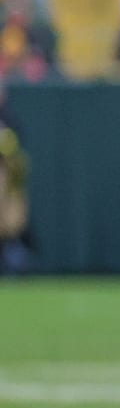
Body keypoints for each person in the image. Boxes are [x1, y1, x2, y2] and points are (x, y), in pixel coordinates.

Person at [0, 76, 27, 275]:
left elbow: (17, 151)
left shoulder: (8, 118)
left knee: (12, 222)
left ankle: (14, 263)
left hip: (7, 175)